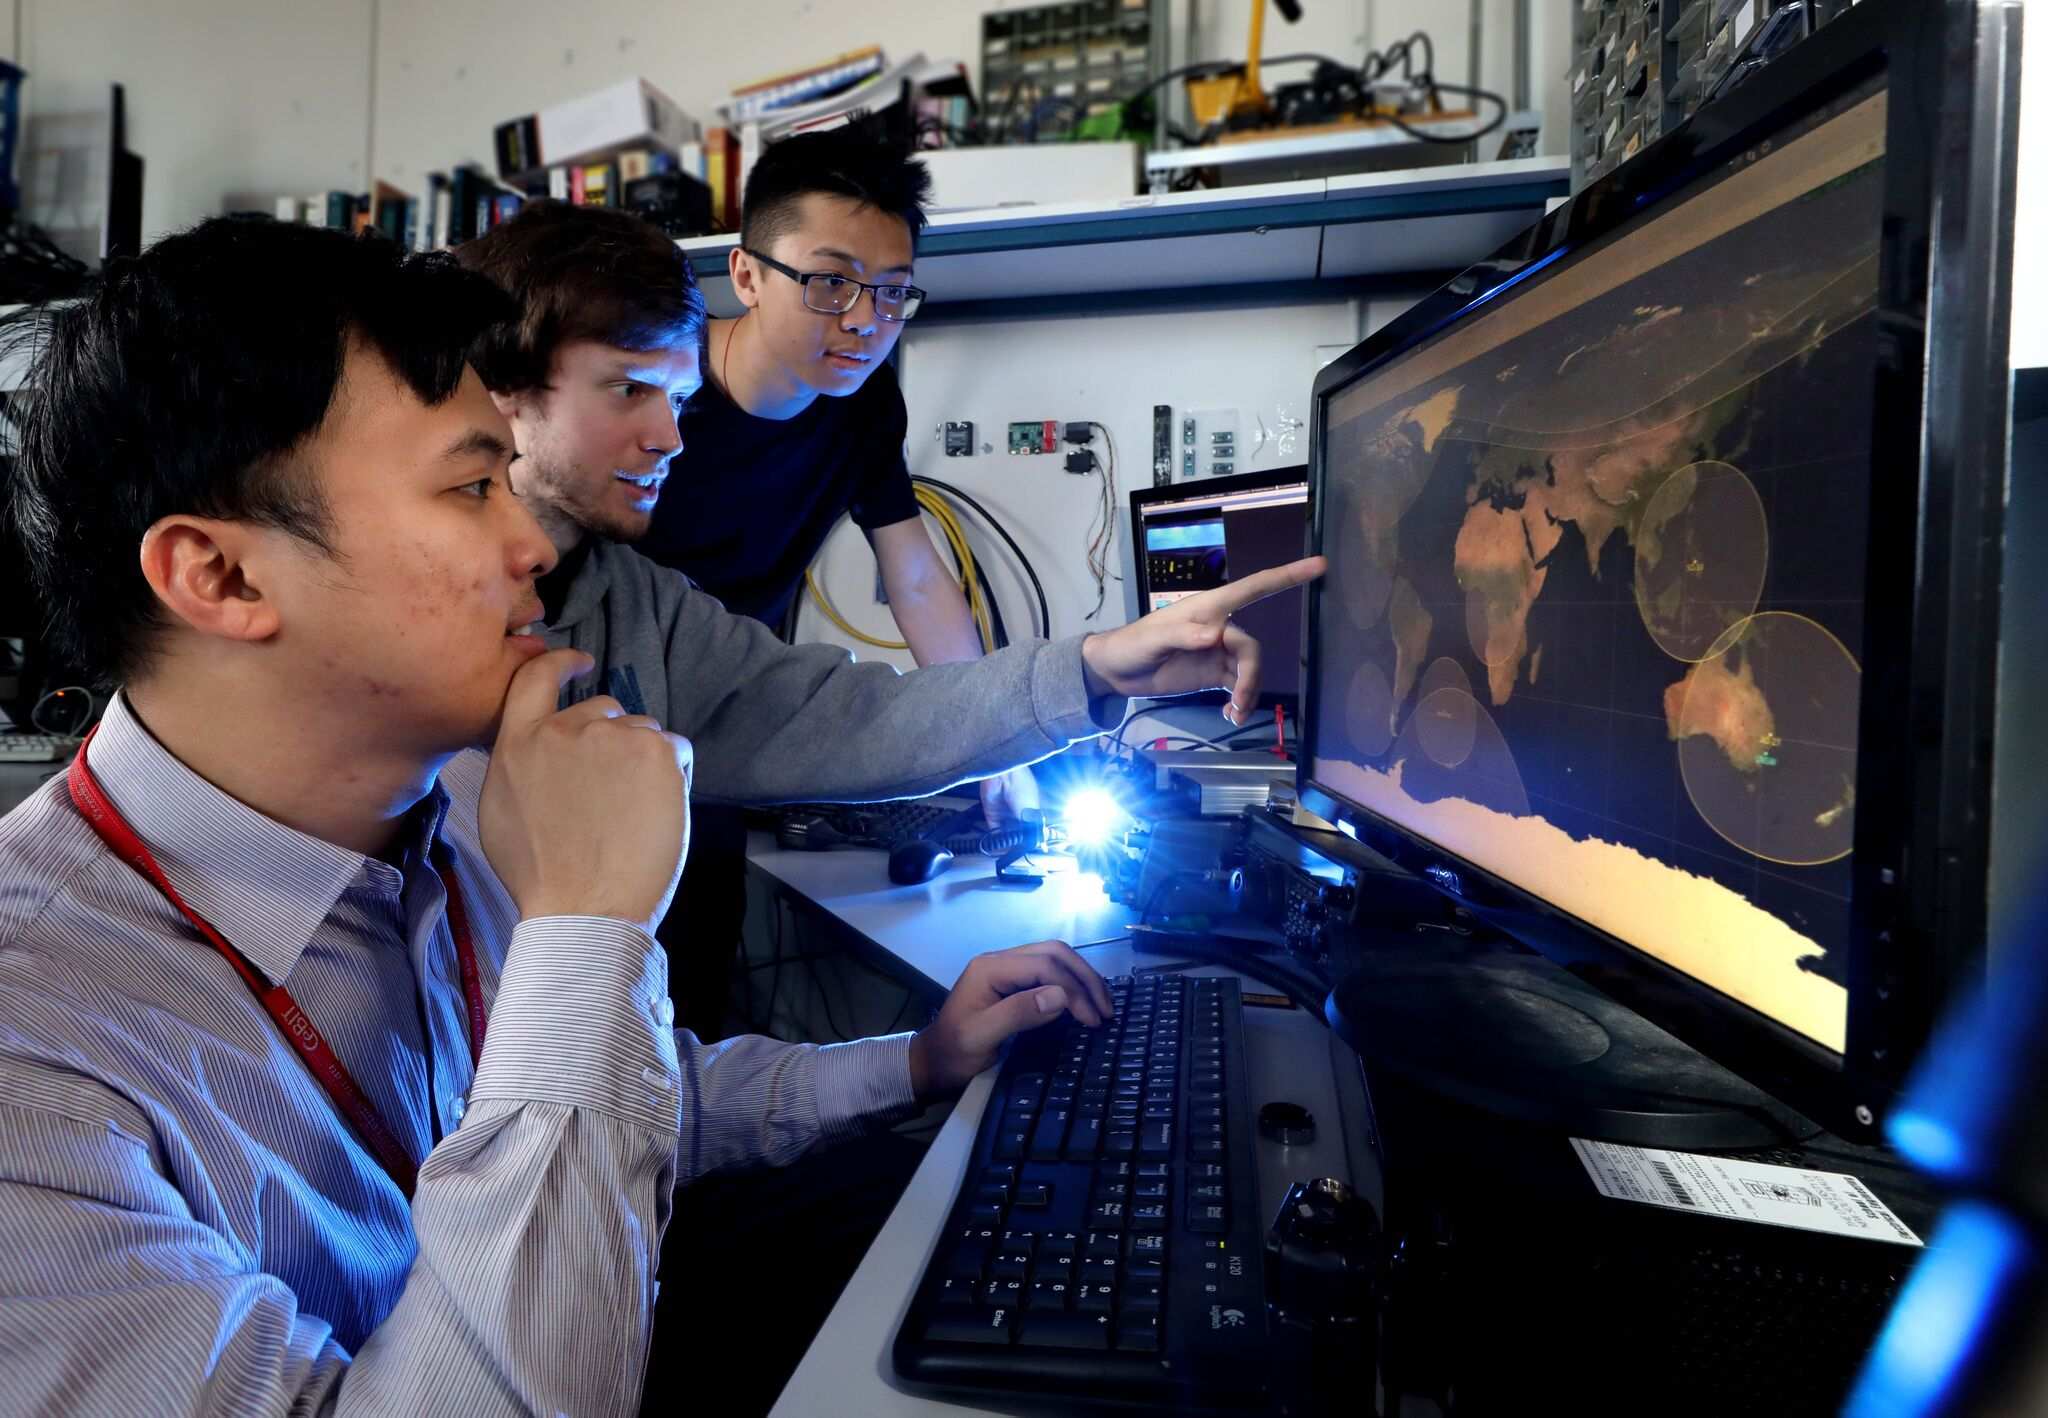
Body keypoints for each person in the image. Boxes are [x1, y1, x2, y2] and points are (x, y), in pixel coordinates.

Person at [0, 217, 1321, 1415]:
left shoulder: (448, 809)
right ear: (219, 573)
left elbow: (615, 1100)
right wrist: (584, 922)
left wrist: (909, 1064)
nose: (527, 548)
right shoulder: (37, 1066)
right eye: (472, 487)